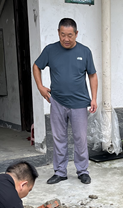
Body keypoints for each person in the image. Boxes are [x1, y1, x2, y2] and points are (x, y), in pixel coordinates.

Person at [33, 18, 97, 185]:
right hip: (58, 101)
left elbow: (92, 75)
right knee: (59, 138)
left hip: (79, 103)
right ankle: (60, 172)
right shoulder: (50, 50)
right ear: (58, 33)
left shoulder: (85, 52)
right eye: (63, 35)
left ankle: (82, 171)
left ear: (76, 34)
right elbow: (36, 66)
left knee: (80, 139)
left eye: (70, 35)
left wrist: (94, 98)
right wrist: (40, 86)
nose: (66, 39)